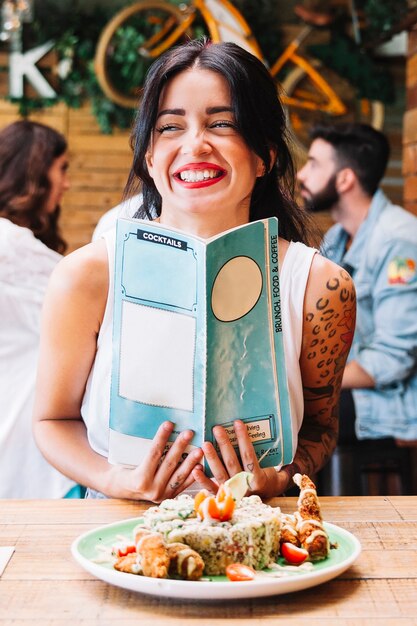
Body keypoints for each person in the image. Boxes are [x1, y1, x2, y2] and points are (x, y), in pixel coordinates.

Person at [33, 40, 355, 502]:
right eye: (170, 127)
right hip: (117, 535)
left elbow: (321, 431)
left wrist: (277, 479)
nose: (195, 144)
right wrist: (113, 480)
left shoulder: (321, 286)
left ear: (264, 155)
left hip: (257, 540)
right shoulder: (87, 275)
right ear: (148, 156)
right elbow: (51, 421)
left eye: (221, 123)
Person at [297, 122, 417, 493]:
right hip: (350, 390)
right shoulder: (336, 239)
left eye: (314, 164)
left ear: (345, 178)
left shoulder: (399, 241)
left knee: (292, 415)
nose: (302, 174)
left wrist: (308, 380)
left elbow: (394, 359)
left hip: (388, 406)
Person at [0, 120, 79, 498]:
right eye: (61, 168)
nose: (65, 183)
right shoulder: (12, 245)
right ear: (33, 170)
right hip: (23, 416)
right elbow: (84, 311)